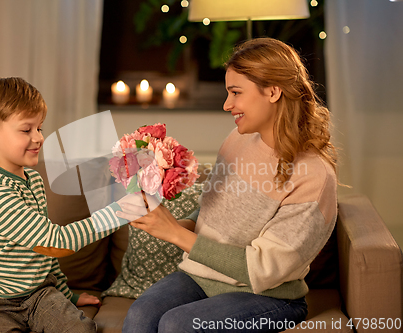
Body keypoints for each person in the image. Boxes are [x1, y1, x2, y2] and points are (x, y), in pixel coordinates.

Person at [117, 37, 338, 332]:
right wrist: (165, 223)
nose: (226, 105)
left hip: (267, 296)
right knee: (139, 315)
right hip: (201, 275)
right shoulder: (238, 141)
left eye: (236, 92)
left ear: (273, 92)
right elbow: (212, 213)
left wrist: (173, 233)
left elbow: (262, 269)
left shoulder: (313, 177)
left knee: (178, 325)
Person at [0, 77, 137, 333]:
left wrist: (66, 295)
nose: (39, 137)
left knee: (81, 329)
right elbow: (55, 242)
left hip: (39, 295)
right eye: (26, 129)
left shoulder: (34, 181)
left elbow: (44, 252)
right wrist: (122, 210)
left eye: (39, 128)